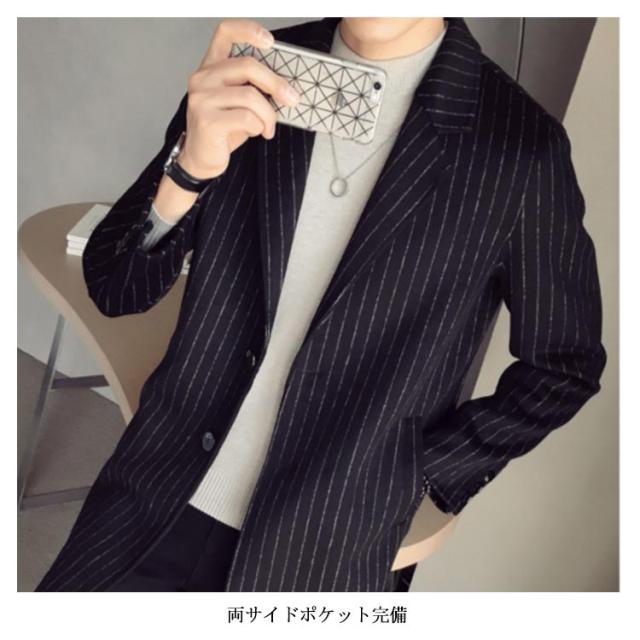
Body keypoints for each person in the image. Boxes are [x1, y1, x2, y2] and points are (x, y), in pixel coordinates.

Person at [36, 17, 606, 592]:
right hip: (152, 500)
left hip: (323, 551)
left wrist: (417, 470)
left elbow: (564, 365)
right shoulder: (250, 70)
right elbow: (116, 287)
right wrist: (188, 170)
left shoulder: (520, 150)